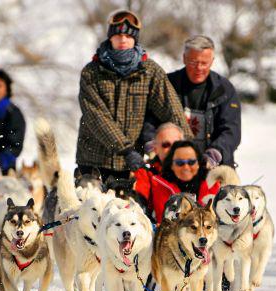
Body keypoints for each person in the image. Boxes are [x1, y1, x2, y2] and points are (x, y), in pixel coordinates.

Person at [76, 10, 192, 182]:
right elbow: (96, 117)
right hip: (94, 161)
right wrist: (126, 149)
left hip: (130, 166)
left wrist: (189, 146)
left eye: (128, 36)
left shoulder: (149, 71)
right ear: (110, 37)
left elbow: (171, 108)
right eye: (118, 35)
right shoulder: (91, 72)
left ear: (135, 39)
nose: (123, 40)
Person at [166, 35, 241, 168]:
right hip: (174, 163)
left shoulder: (224, 89)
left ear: (212, 61)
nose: (199, 68)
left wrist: (215, 153)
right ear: (184, 59)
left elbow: (231, 130)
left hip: (215, 164)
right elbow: (151, 121)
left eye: (204, 63)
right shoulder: (167, 85)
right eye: (193, 62)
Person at [136, 140, 220, 224]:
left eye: (191, 162)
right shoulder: (159, 185)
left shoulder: (212, 184)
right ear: (171, 165)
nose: (186, 167)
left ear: (198, 163)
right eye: (180, 163)